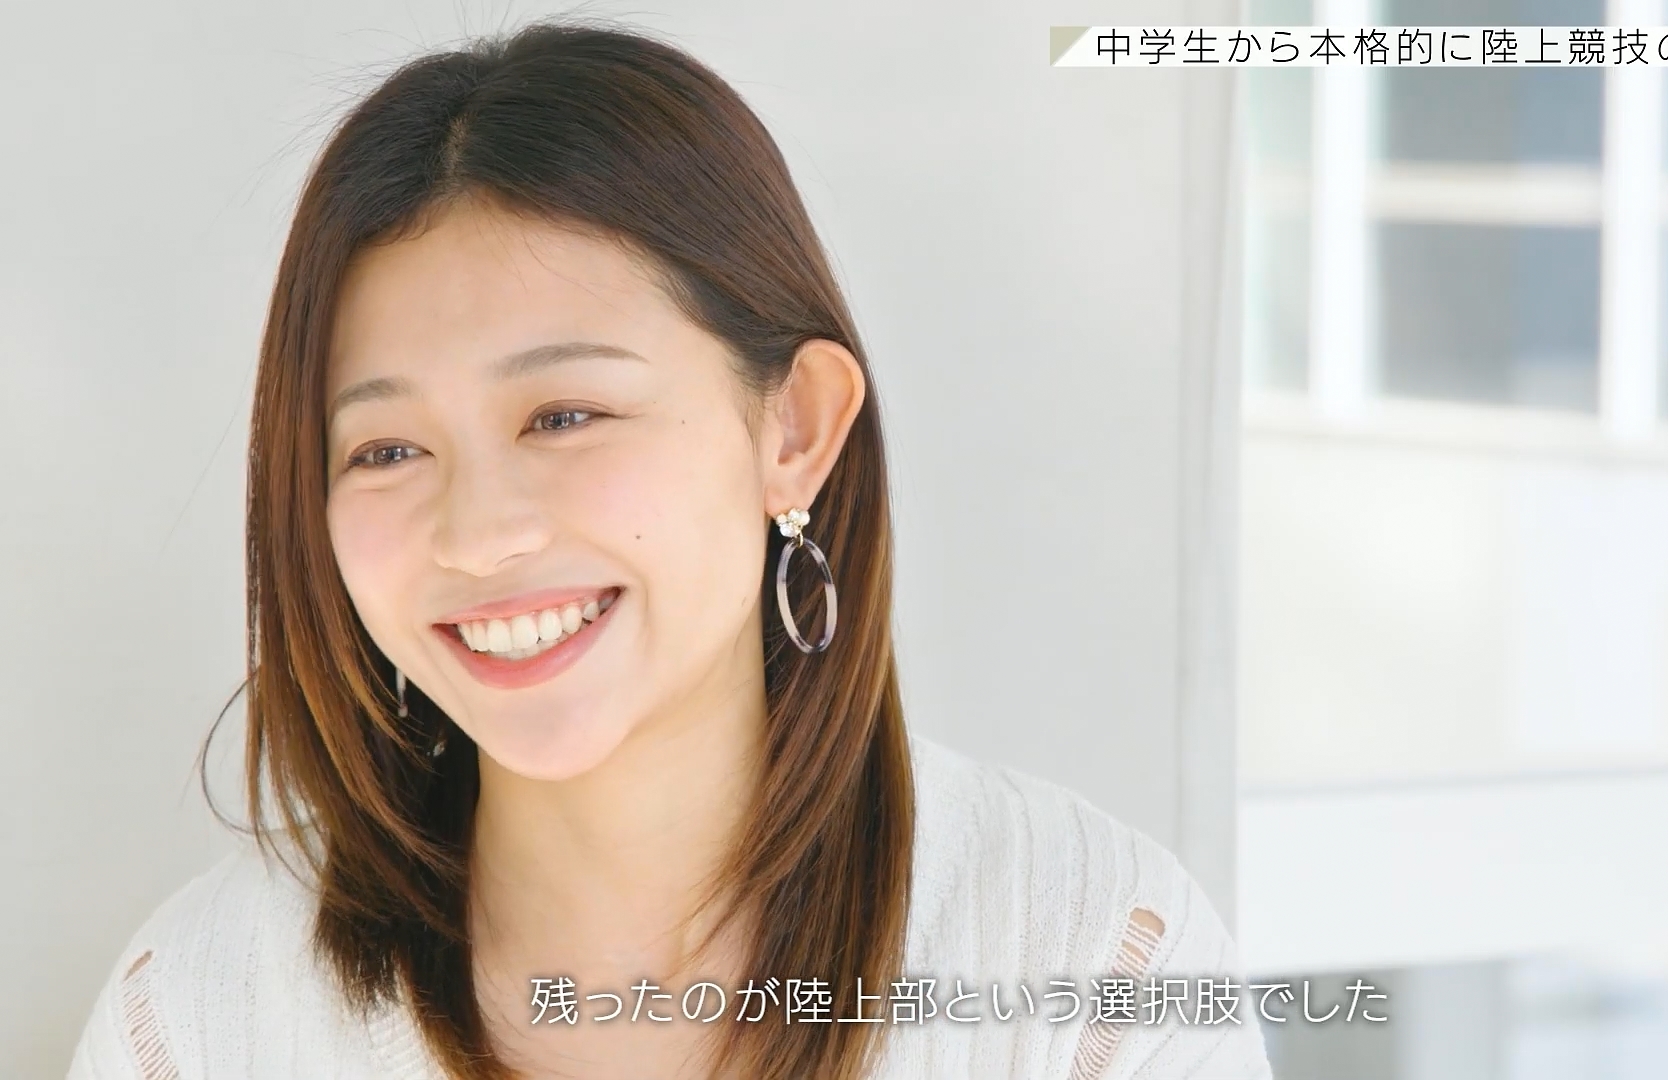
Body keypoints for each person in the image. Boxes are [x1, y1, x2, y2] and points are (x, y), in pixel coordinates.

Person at [65, 20, 1273, 1080]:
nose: (478, 537)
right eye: (385, 450)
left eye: (564, 416)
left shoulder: (1091, 961)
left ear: (793, 430)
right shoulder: (204, 1017)